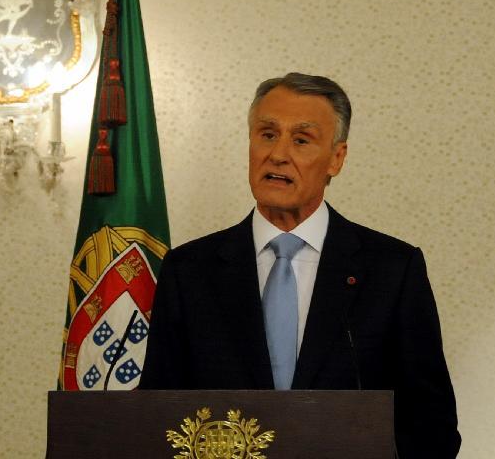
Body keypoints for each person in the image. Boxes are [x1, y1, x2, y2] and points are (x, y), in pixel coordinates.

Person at [140, 72, 461, 458]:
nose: (278, 154)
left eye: (302, 140)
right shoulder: (188, 271)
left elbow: (432, 425)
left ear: (336, 158)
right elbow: (154, 416)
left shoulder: (393, 270)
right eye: (267, 134)